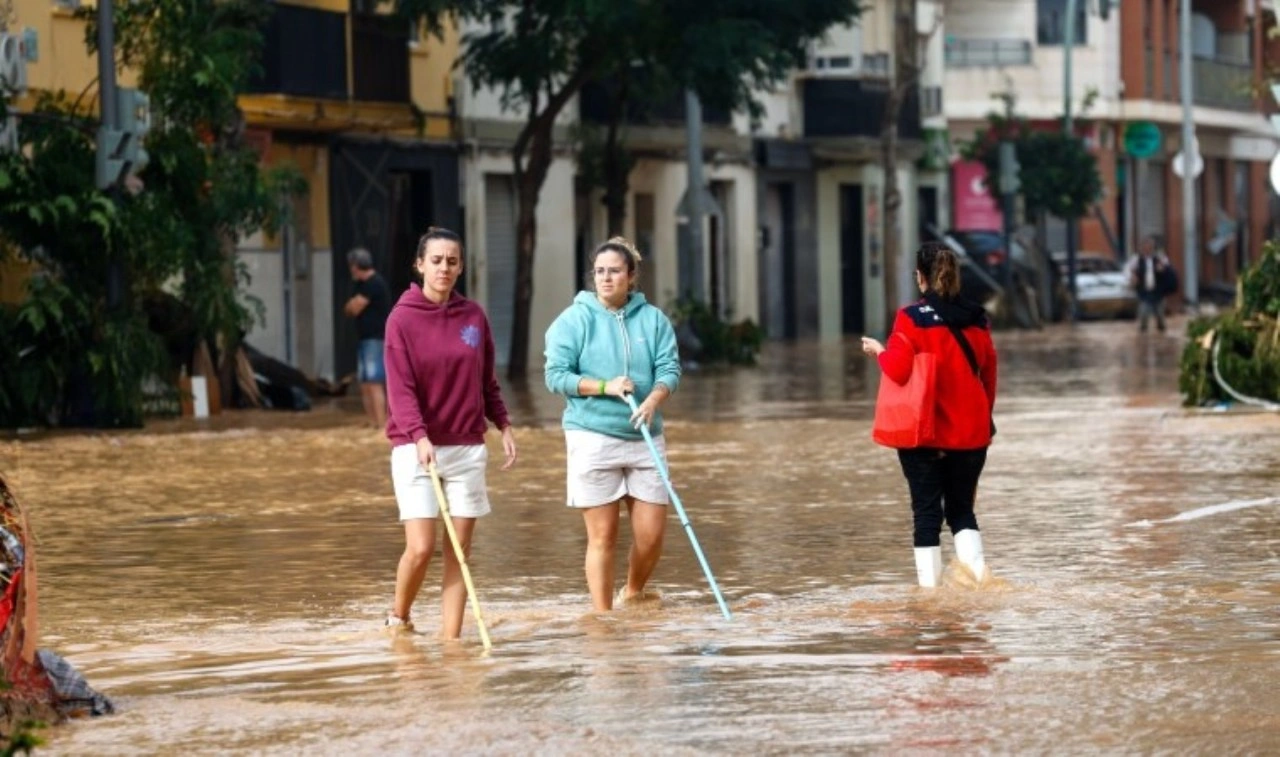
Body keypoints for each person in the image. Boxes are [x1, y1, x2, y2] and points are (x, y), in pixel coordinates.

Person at [382, 227, 517, 636]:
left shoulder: (473, 317)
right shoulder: (401, 319)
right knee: (421, 547)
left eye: (452, 261)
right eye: (436, 260)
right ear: (420, 264)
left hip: (466, 449)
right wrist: (420, 436)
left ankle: (452, 645)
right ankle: (399, 617)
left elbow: (486, 380)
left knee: (458, 552)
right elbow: (400, 390)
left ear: (460, 267)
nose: (444, 268)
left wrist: (504, 423)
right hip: (415, 448)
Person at [544, 237, 682, 611]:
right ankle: (603, 619)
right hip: (591, 435)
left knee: (651, 536)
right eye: (600, 271)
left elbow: (669, 369)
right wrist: (605, 386)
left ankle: (633, 592)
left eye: (615, 271)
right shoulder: (573, 321)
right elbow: (556, 376)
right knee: (603, 536)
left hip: (644, 436)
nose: (606, 278)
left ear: (631, 276)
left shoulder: (653, 320)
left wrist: (653, 400)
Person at [861, 241, 998, 588]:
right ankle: (981, 586)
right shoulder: (977, 318)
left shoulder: (911, 318)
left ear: (920, 277)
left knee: (926, 515)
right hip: (972, 435)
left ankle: (930, 601)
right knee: (962, 511)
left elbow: (898, 370)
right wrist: (983, 422)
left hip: (924, 434)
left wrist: (879, 350)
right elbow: (989, 375)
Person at [344, 248, 392, 427]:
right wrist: (352, 305)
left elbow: (353, 308)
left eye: (351, 267)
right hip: (365, 339)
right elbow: (349, 309)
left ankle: (382, 424)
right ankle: (373, 423)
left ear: (356, 267)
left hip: (375, 339)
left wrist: (352, 305)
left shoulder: (374, 284)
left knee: (374, 382)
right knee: (365, 383)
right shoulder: (361, 286)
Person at [1126, 235, 1175, 333]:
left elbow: (1169, 271)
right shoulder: (1136, 259)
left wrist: (1163, 270)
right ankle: (1143, 333)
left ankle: (1161, 331)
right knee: (1143, 313)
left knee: (1160, 316)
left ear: (1153, 247)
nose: (1147, 249)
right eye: (1145, 246)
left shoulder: (1161, 258)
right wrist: (1132, 277)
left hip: (1158, 292)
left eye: (1150, 246)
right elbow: (1127, 270)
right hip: (1144, 292)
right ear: (1142, 247)